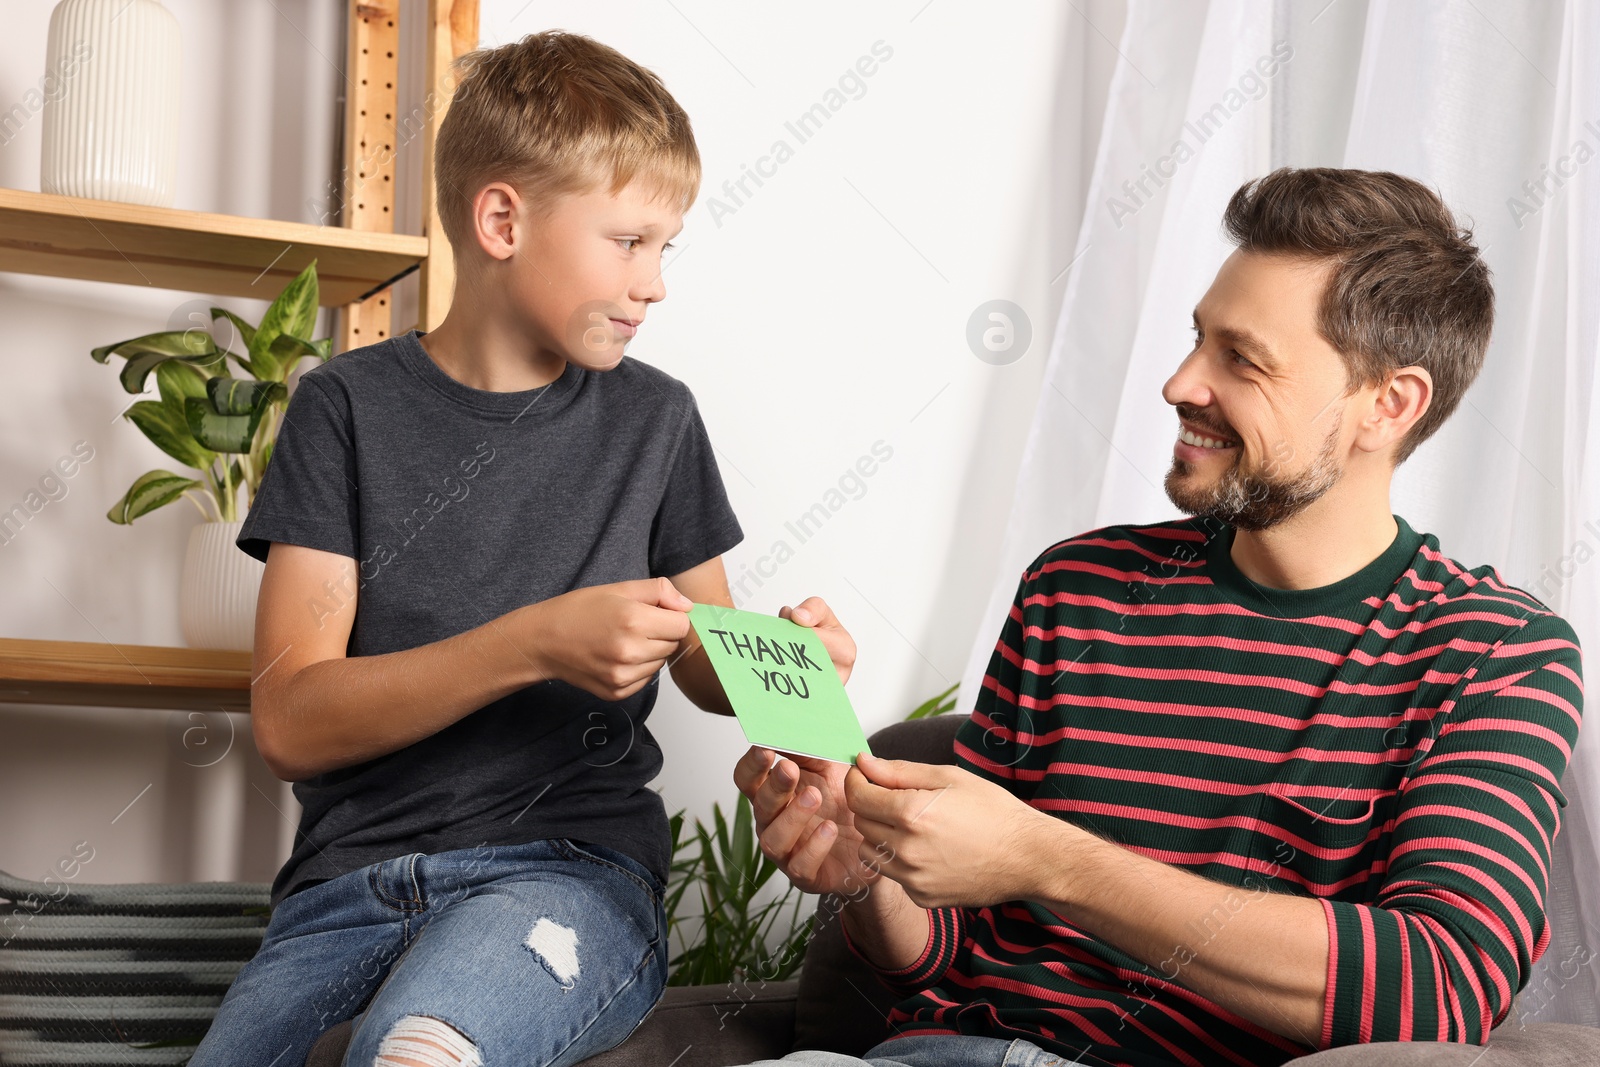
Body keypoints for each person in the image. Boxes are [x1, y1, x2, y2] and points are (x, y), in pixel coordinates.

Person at [737, 168, 1584, 1067]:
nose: (1181, 383)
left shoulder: (1493, 653)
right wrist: (869, 876)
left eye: (1242, 358)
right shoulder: (1079, 585)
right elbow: (950, 949)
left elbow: (1442, 985)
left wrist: (1048, 859)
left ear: (1389, 404)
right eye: (1196, 340)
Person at [191, 31, 854, 1067]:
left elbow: (702, 652)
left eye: (664, 247)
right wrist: (537, 641)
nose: (656, 284)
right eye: (629, 242)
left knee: (417, 1052)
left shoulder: (657, 422)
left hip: (567, 871)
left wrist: (787, 660)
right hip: (345, 889)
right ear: (502, 218)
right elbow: (291, 719)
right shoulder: (343, 409)